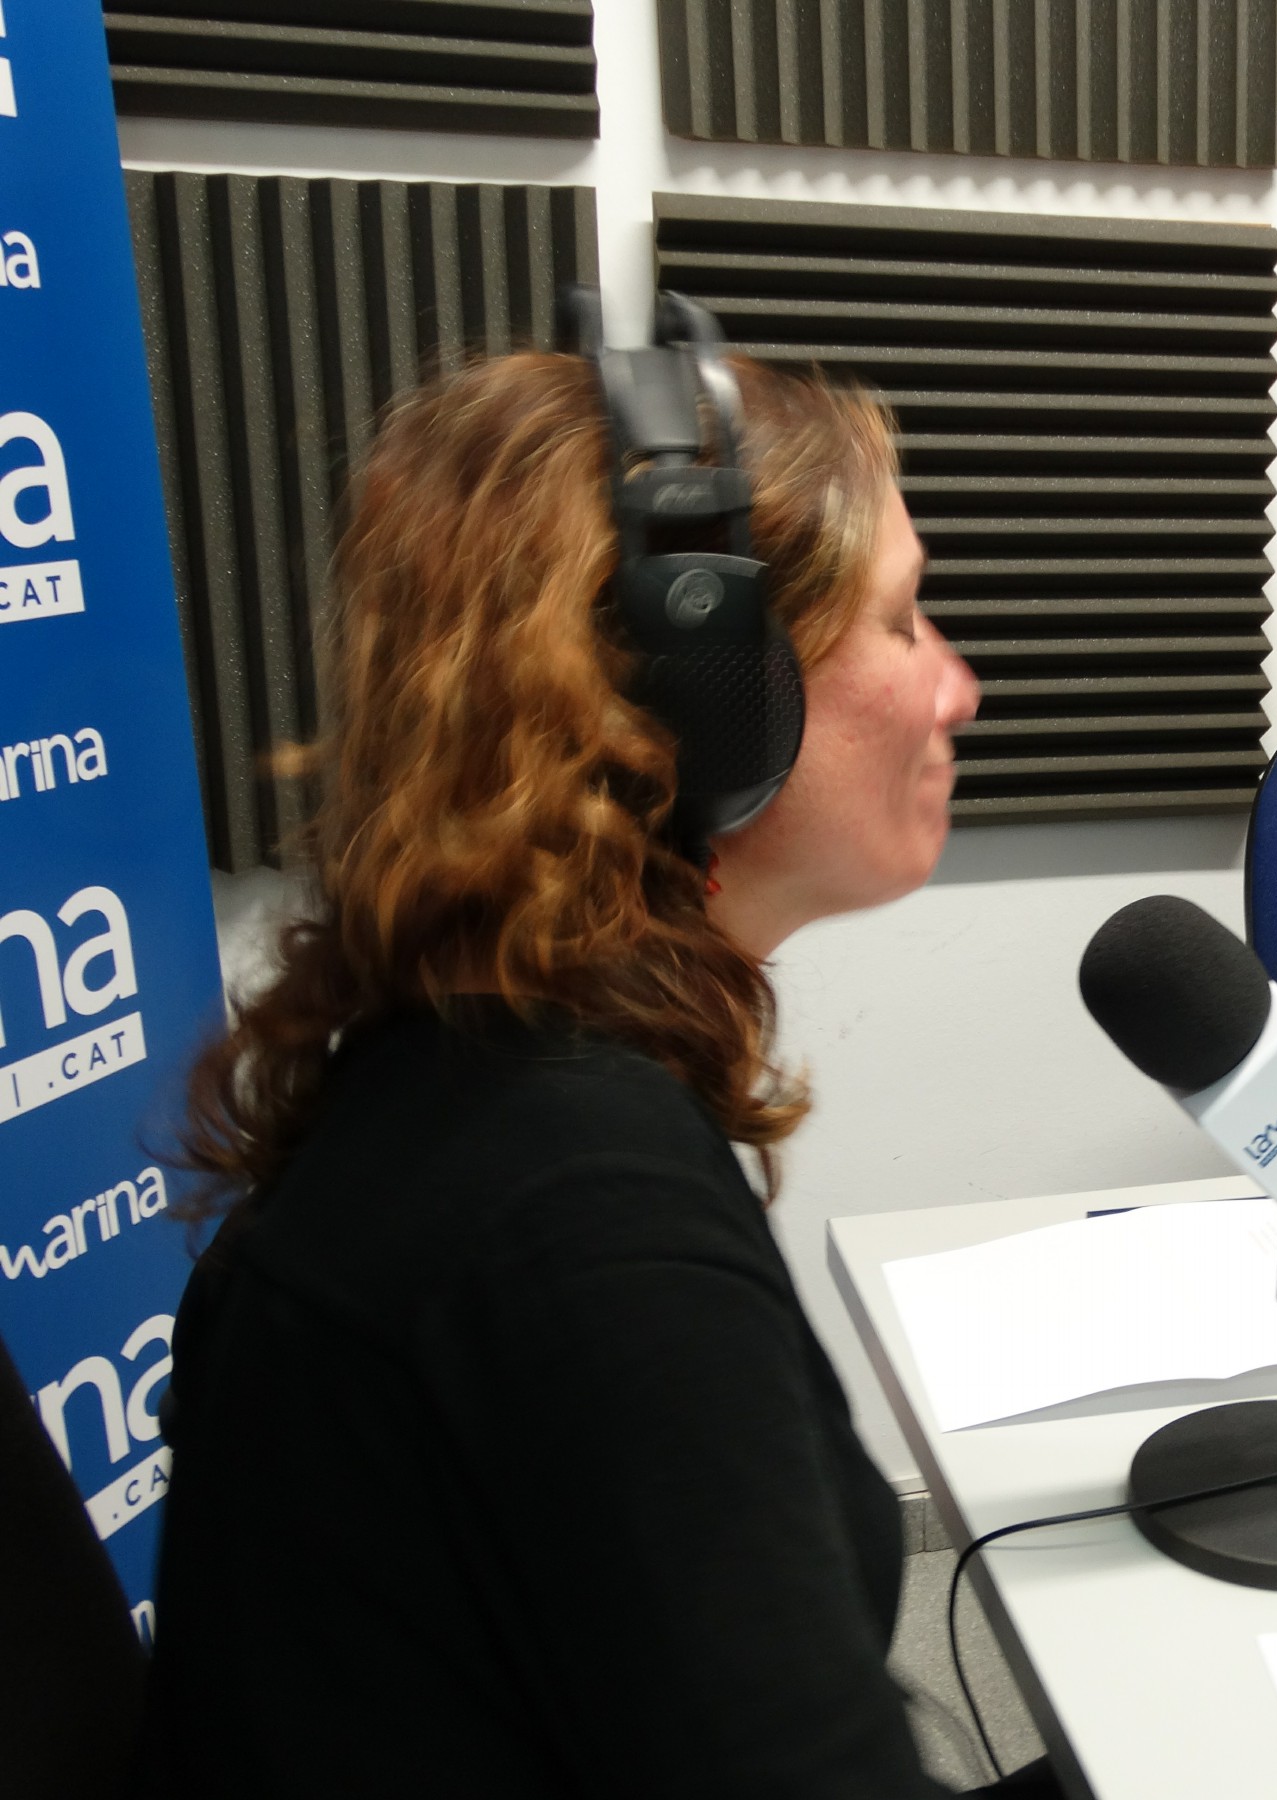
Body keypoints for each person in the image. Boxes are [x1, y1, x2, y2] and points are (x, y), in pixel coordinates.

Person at [140, 341, 1025, 1797]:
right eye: (901, 620)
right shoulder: (585, 1217)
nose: (959, 690)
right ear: (709, 696)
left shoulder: (473, 1071)